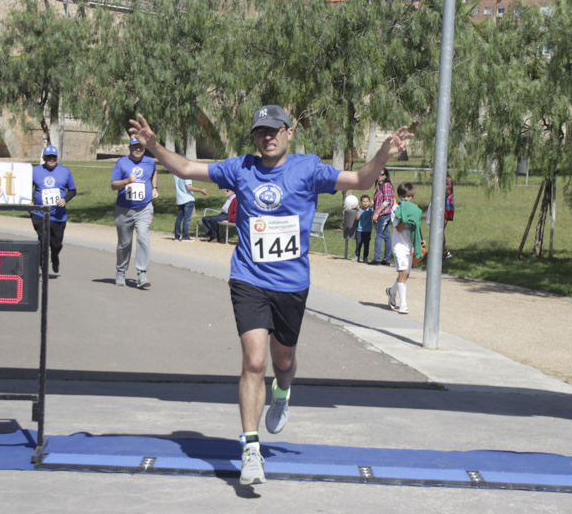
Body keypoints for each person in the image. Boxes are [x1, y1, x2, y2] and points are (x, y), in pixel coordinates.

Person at [128, 105, 412, 486]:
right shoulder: (240, 168)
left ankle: (283, 392)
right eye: (261, 131)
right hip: (249, 278)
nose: (268, 136)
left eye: (274, 129)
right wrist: (154, 146)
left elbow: (361, 180)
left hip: (292, 284)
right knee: (255, 360)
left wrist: (382, 154)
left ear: (289, 132)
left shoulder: (308, 169)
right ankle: (250, 448)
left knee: (284, 361)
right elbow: (185, 169)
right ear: (255, 136)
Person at [111, 136, 158, 288]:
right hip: (124, 209)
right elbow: (113, 185)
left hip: (144, 207)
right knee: (125, 243)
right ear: (129, 148)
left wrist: (154, 188)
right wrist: (126, 182)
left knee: (143, 236)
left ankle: (142, 273)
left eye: (141, 147)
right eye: (135, 146)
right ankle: (121, 271)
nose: (138, 149)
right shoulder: (121, 163)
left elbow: (154, 172)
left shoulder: (150, 161)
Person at [31, 145, 76, 274]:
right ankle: (42, 266)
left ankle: (54, 256)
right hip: (40, 214)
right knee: (43, 240)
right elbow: (26, 187)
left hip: (58, 215)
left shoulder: (65, 171)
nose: (51, 159)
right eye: (49, 157)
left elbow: (73, 190)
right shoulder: (35, 171)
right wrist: (29, 203)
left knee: (56, 244)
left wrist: (65, 199)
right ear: (44, 157)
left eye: (54, 157)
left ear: (57, 157)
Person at [386, 182, 424, 315]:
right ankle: (403, 305)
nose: (406, 200)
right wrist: (405, 216)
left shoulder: (414, 208)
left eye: (408, 197)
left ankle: (391, 292)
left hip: (410, 245)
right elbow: (399, 228)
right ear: (399, 197)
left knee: (406, 275)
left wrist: (420, 240)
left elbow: (416, 226)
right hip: (399, 246)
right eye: (403, 197)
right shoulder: (396, 209)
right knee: (402, 273)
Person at [371, 167, 395, 265]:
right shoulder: (380, 186)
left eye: (381, 174)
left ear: (385, 176)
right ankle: (386, 260)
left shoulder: (386, 185)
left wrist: (377, 213)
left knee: (378, 235)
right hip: (381, 213)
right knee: (386, 235)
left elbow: (387, 201)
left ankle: (377, 259)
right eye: (377, 174)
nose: (378, 176)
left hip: (384, 213)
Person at [174, 174, 208, 241]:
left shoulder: (176, 174)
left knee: (179, 218)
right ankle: (185, 236)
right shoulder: (186, 175)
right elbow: (189, 187)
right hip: (188, 199)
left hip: (180, 199)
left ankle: (177, 236)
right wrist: (200, 190)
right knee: (187, 218)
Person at [355, 195, 373, 263]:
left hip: (368, 230)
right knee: (358, 243)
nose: (365, 203)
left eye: (367, 201)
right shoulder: (359, 210)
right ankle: (357, 256)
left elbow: (374, 215)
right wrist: (357, 211)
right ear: (361, 202)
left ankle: (365, 257)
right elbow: (357, 218)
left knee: (366, 244)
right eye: (364, 201)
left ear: (369, 202)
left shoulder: (371, 210)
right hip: (360, 230)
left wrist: (373, 206)